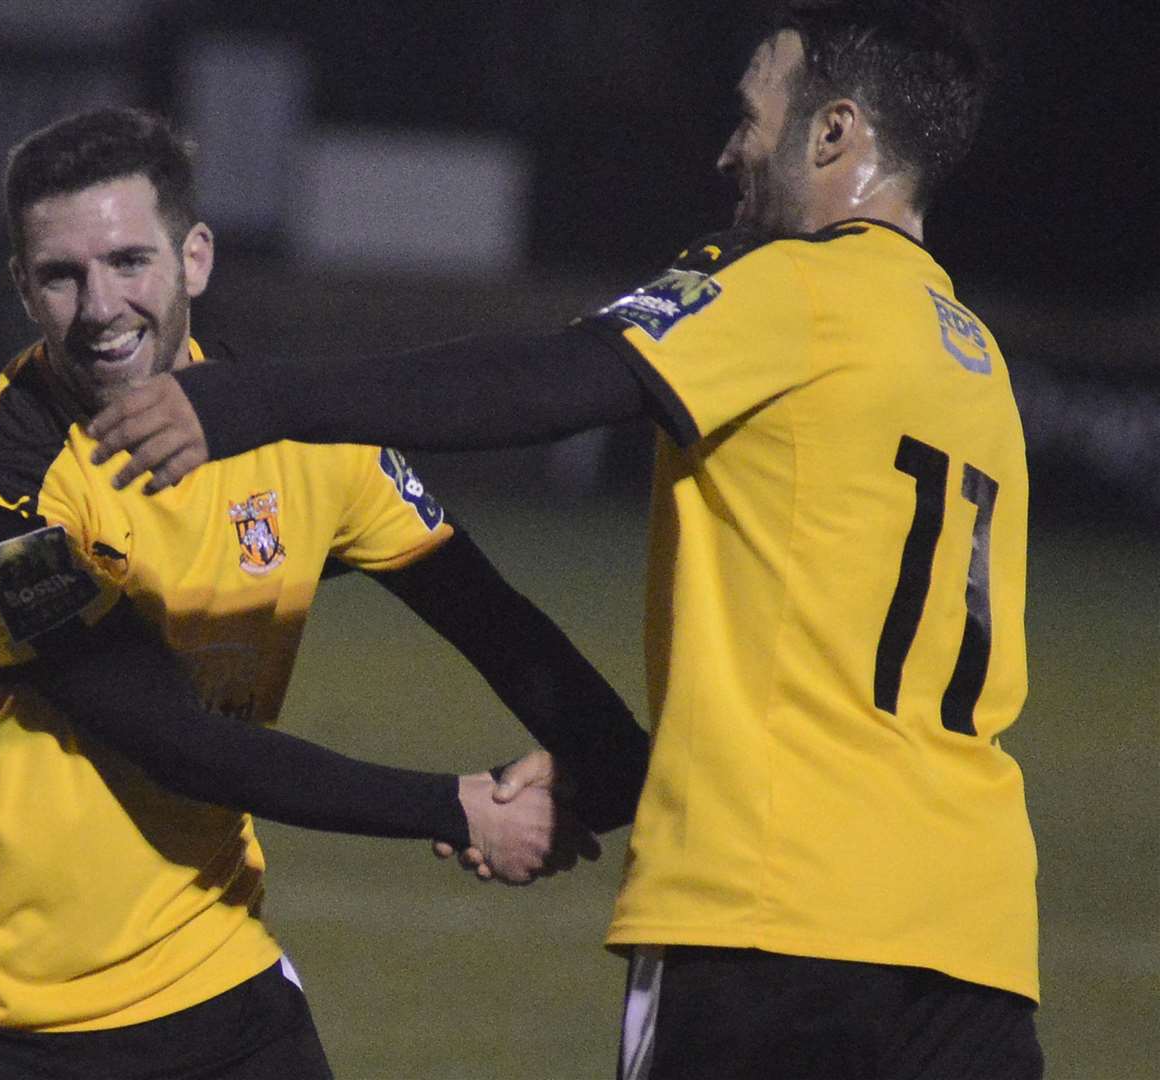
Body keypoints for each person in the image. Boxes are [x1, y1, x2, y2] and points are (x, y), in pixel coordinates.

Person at [84, 3, 1044, 1078]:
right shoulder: (972, 364)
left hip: (775, 924)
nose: (726, 146)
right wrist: (611, 766)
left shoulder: (795, 286)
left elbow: (541, 382)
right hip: (972, 945)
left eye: (748, 114)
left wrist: (246, 401)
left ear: (831, 134)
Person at [0, 107, 651, 1080]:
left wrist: (600, 774)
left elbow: (491, 621)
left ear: (193, 257)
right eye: (62, 275)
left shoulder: (301, 443)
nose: (100, 304)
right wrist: (453, 808)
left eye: (127, 262)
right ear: (22, 288)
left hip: (212, 981)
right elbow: (173, 739)